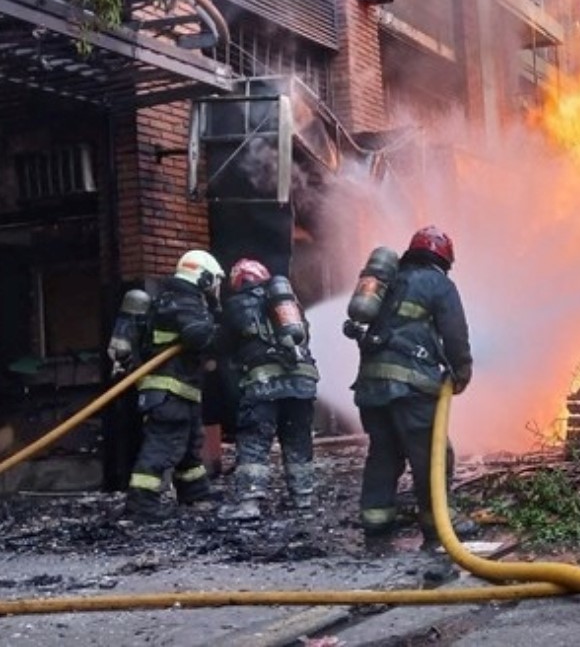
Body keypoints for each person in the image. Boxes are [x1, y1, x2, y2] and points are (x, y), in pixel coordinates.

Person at [343, 225, 474, 584]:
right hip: (412, 386)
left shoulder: (388, 281)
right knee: (430, 455)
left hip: (371, 386)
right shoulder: (439, 285)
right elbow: (454, 332)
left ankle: (376, 526)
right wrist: (462, 369)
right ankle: (436, 530)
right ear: (444, 259)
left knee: (383, 453)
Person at [217, 259, 320, 521]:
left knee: (254, 441)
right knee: (298, 439)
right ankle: (303, 500)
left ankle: (249, 502)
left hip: (263, 384)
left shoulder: (236, 304)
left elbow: (222, 346)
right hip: (302, 383)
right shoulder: (290, 306)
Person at [125, 250, 224, 521]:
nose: (216, 287)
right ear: (202, 278)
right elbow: (196, 336)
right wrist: (219, 318)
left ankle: (194, 494)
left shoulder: (175, 298)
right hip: (168, 388)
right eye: (214, 281)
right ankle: (142, 505)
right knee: (163, 445)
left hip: (180, 387)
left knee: (190, 445)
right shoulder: (185, 300)